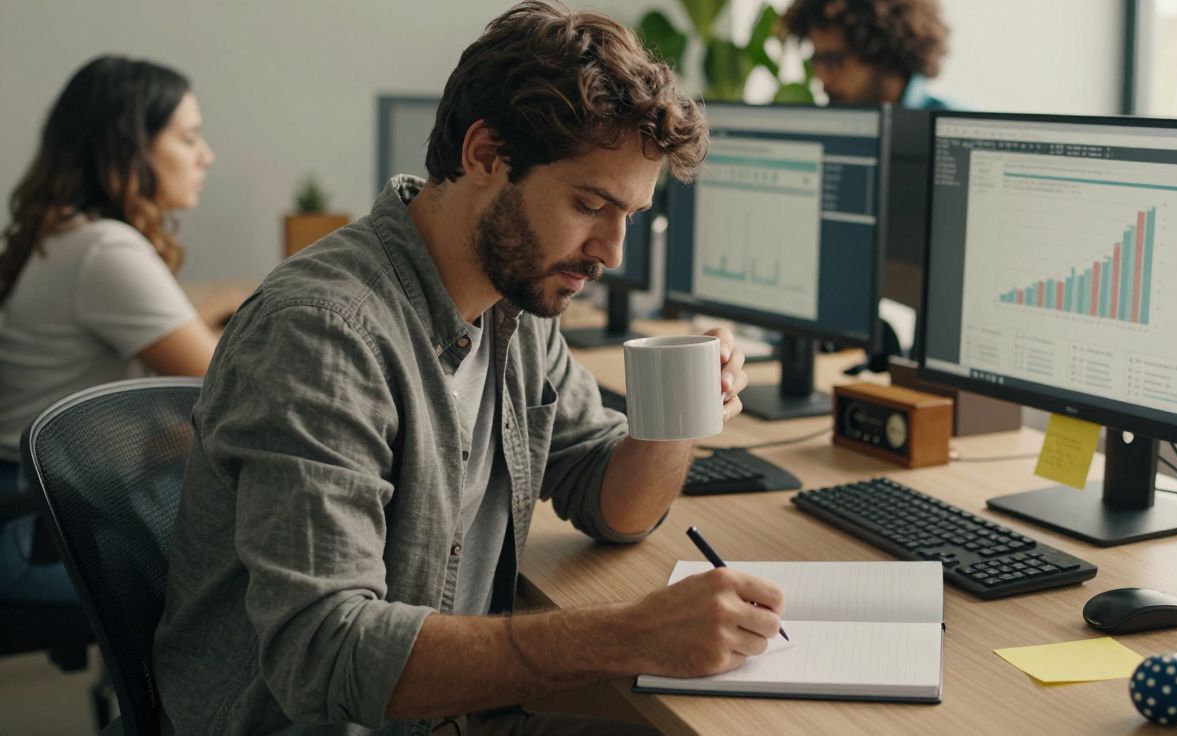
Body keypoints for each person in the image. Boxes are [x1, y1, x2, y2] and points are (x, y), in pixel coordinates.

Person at [153, 3, 782, 734]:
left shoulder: (516, 299)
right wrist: (631, 634)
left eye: (630, 217)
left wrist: (681, 408)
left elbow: (610, 500)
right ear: (485, 155)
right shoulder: (324, 334)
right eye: (589, 204)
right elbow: (324, 653)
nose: (611, 252)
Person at [0, 55, 236, 604]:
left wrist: (210, 314)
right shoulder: (103, 250)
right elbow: (227, 383)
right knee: (242, 589)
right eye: (188, 137)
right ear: (129, 151)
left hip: (38, 512)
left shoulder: (65, 234)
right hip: (37, 537)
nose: (206, 155)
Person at [781, 0, 951, 109]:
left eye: (834, 61)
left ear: (883, 51)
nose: (823, 78)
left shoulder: (956, 127)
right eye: (817, 60)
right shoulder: (835, 126)